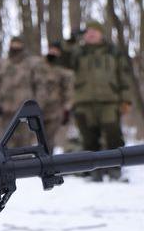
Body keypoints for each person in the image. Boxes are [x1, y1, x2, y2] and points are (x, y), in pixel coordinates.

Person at [62, 21, 136, 180]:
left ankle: (115, 169)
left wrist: (126, 100)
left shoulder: (113, 51)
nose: (91, 34)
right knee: (89, 138)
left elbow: (124, 77)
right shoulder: (78, 52)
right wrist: (70, 42)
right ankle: (94, 170)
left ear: (101, 33)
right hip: (83, 102)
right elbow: (62, 60)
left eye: (95, 31)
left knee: (113, 136)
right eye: (88, 31)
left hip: (110, 101)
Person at [39, 40, 75, 150]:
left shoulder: (64, 70)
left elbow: (69, 90)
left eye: (56, 50)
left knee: (50, 140)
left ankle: (49, 163)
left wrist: (67, 109)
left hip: (56, 110)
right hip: (39, 107)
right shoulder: (40, 66)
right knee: (38, 139)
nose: (53, 52)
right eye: (51, 49)